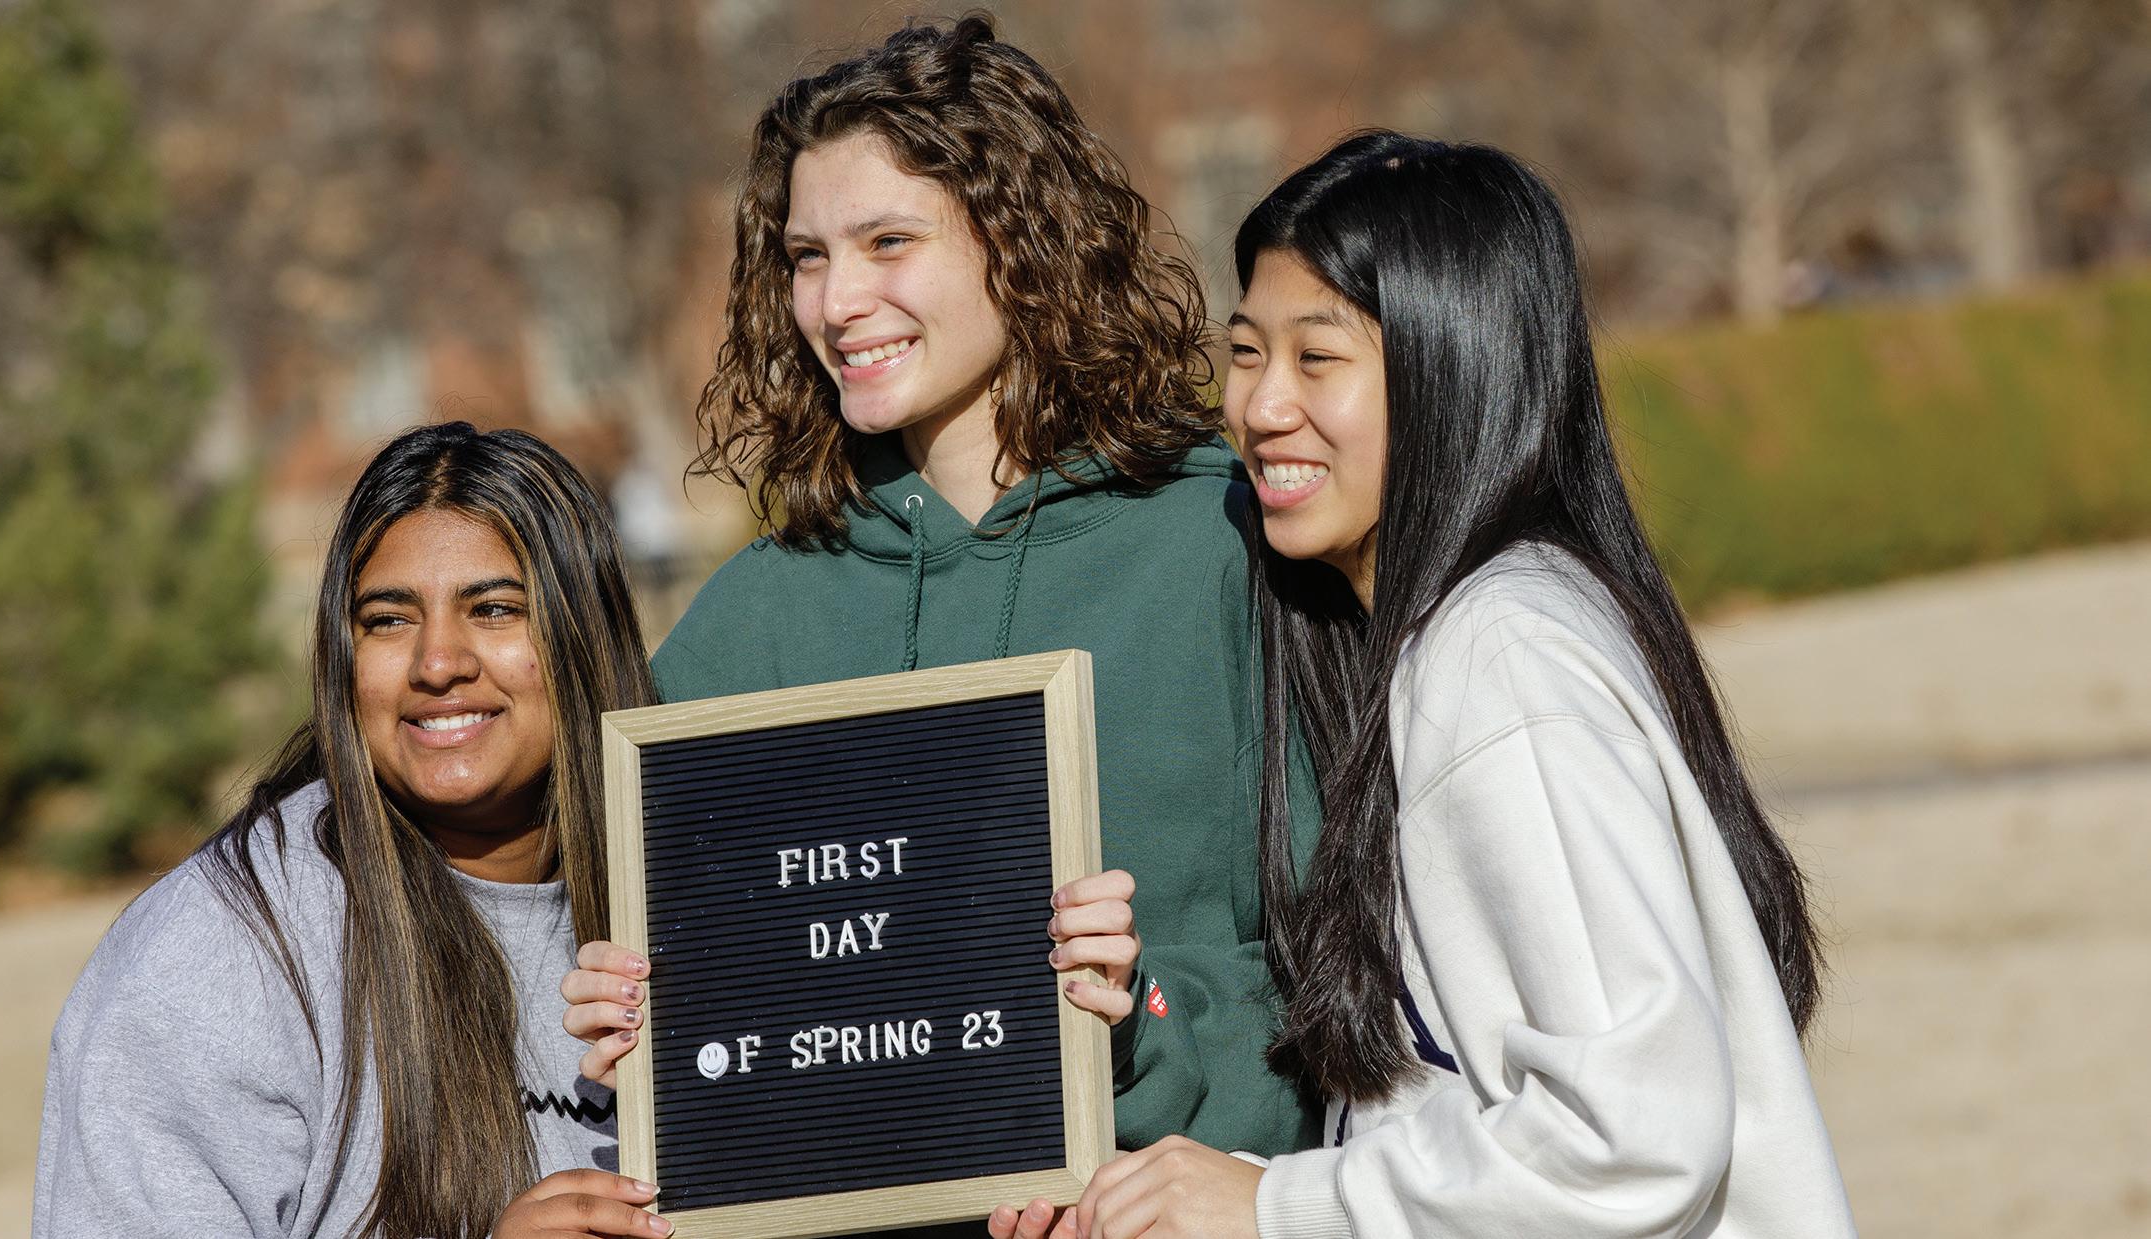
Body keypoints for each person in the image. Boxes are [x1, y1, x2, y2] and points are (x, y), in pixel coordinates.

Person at [562, 13, 1324, 1231]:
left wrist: (1143, 1022)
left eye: (888, 242)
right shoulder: (749, 624)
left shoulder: (1227, 551)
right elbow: (712, 1038)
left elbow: (1344, 991)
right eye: (806, 256)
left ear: (1022, 244)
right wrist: (639, 1025)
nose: (837, 301)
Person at [1057, 132, 1856, 1238]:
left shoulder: (1495, 658)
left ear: (1453, 367)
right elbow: (1459, 1093)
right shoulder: (1483, 623)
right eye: (1245, 352)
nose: (1260, 407)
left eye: (1318, 359)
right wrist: (1192, 1195)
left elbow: (1628, 1134)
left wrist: (1280, 1205)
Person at [34, 422, 672, 1239]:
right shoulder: (215, 958)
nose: (438, 662)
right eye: (388, 619)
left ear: (584, 637)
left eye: (495, 607)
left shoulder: (701, 882)